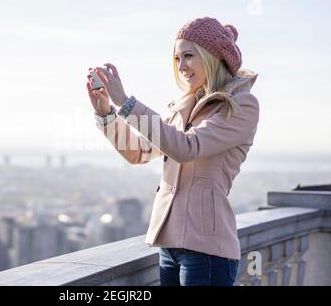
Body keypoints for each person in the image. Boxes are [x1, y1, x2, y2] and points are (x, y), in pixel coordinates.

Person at [85, 16, 259, 286]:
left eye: (188, 56)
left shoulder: (240, 106)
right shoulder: (183, 106)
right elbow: (139, 152)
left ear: (212, 56)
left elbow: (187, 147)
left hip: (208, 251)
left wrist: (125, 102)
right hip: (169, 246)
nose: (181, 66)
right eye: (177, 59)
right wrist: (106, 113)